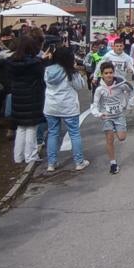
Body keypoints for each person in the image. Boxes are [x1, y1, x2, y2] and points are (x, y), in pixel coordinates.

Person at [43, 45, 90, 174]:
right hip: (68, 107)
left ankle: (51, 163)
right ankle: (79, 162)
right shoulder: (71, 72)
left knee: (53, 133)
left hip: (51, 106)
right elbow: (80, 86)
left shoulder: (47, 70)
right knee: (74, 133)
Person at [3, 31, 46, 167]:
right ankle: (31, 156)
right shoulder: (35, 64)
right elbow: (41, 77)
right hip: (32, 97)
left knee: (21, 128)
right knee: (31, 128)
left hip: (17, 96)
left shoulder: (11, 63)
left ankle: (18, 156)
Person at [93, 60, 133, 174]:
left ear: (114, 73)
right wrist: (99, 114)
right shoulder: (99, 89)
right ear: (102, 75)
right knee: (109, 139)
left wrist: (129, 105)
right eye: (106, 73)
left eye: (110, 72)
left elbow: (131, 92)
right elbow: (94, 104)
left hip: (119, 115)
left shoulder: (121, 84)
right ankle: (113, 164)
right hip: (107, 117)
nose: (109, 75)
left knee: (121, 138)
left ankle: (116, 129)